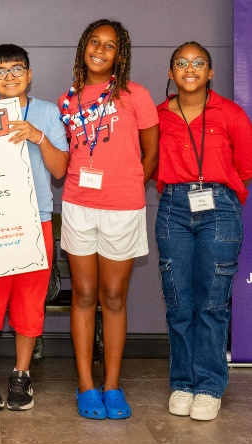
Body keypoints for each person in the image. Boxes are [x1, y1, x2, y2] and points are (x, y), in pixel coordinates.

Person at [58, 19, 159, 420]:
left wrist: (129, 186)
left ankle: (112, 385)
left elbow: (150, 154)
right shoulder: (69, 100)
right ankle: (86, 384)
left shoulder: (136, 95)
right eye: (94, 42)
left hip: (123, 208)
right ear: (84, 47)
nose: (101, 49)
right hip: (78, 204)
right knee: (83, 296)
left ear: (121, 55)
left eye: (111, 45)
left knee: (113, 298)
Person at [0, 44, 69, 411]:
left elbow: (60, 170)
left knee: (28, 303)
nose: (9, 76)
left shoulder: (46, 112)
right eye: (0, 71)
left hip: (35, 218)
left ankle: (21, 374)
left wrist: (38, 136)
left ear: (29, 74)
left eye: (17, 69)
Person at [155, 42, 252, 421]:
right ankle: (182, 382)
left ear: (210, 73)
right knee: (179, 302)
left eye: (199, 63)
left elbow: (244, 167)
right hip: (173, 209)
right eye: (181, 63)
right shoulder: (159, 116)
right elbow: (149, 163)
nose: (190, 68)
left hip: (220, 208)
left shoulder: (230, 113)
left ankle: (209, 387)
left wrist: (216, 191)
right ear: (171, 73)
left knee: (212, 302)